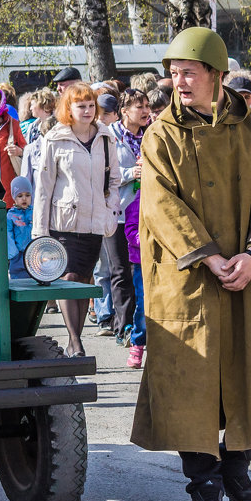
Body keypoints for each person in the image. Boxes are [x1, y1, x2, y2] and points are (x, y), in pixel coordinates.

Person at [131, 27, 251, 501]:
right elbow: (158, 204)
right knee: (192, 378)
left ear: (218, 76)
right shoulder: (162, 132)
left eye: (188, 72)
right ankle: (202, 480)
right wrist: (206, 255)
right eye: (173, 73)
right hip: (189, 276)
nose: (177, 82)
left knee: (248, 372)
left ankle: (237, 466)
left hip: (248, 272)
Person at [32, 82, 121, 357]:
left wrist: (110, 210)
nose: (87, 110)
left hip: (94, 222)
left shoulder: (106, 137)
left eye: (91, 105)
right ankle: (75, 340)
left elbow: (115, 180)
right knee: (68, 277)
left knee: (83, 280)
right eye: (80, 105)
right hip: (63, 222)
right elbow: (44, 187)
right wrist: (40, 230)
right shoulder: (55, 139)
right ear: (68, 108)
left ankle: (75, 339)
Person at [105, 88, 150, 345]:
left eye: (146, 106)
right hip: (117, 212)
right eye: (139, 106)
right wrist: (130, 173)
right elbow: (104, 172)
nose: (145, 111)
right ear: (124, 111)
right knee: (120, 271)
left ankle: (143, 326)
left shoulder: (152, 135)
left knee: (141, 273)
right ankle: (123, 326)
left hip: (145, 213)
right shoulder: (110, 137)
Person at [122, 191, 146, 368]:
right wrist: (145, 241)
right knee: (144, 305)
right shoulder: (137, 203)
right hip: (142, 262)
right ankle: (137, 343)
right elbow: (130, 230)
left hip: (164, 262)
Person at [7, 176, 33, 279]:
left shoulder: (35, 213)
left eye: (27, 195)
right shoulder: (11, 215)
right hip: (18, 258)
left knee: (35, 284)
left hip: (34, 256)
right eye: (20, 195)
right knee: (19, 284)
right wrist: (13, 254)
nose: (24, 198)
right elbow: (8, 235)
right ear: (14, 197)